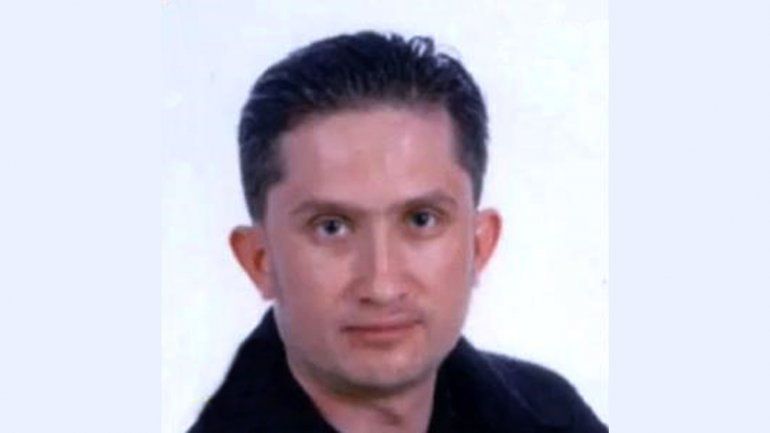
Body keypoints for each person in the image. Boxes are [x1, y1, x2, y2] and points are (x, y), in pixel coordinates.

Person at [188, 31, 607, 433]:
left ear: (479, 245)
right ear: (259, 261)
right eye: (332, 227)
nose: (382, 286)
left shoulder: (554, 416)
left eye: (421, 219)